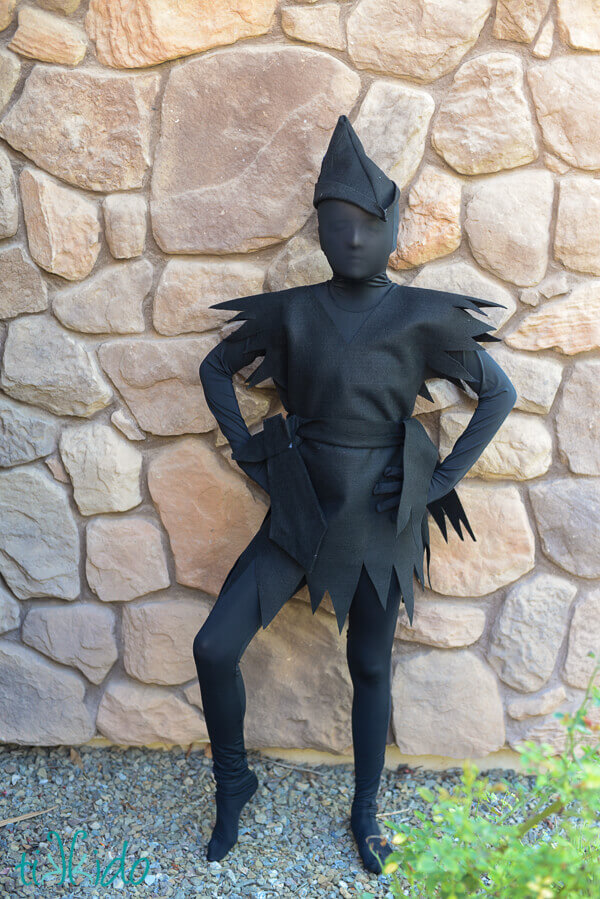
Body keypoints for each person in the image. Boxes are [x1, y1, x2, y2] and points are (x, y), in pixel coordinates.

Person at [194, 115, 518, 874]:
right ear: (319, 231)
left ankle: (366, 809)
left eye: (365, 224)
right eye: (333, 225)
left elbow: (496, 394)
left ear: (391, 226)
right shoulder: (294, 311)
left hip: (379, 515)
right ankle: (233, 782)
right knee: (215, 646)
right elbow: (216, 368)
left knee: (371, 664)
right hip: (300, 512)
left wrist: (439, 479)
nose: (348, 239)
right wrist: (248, 449)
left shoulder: (419, 317)